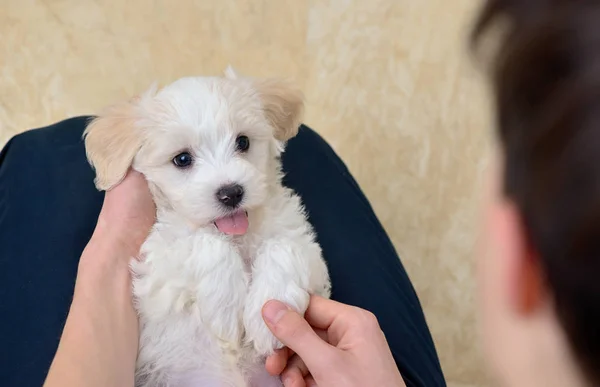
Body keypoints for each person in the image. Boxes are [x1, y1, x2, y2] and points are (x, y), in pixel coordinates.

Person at [0, 117, 445, 387]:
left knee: (35, 153)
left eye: (242, 143)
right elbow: (156, 292)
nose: (226, 181)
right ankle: (113, 254)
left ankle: (110, 256)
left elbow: (302, 258)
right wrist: (207, 255)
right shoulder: (168, 235)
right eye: (183, 160)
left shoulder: (280, 217)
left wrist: (280, 268)